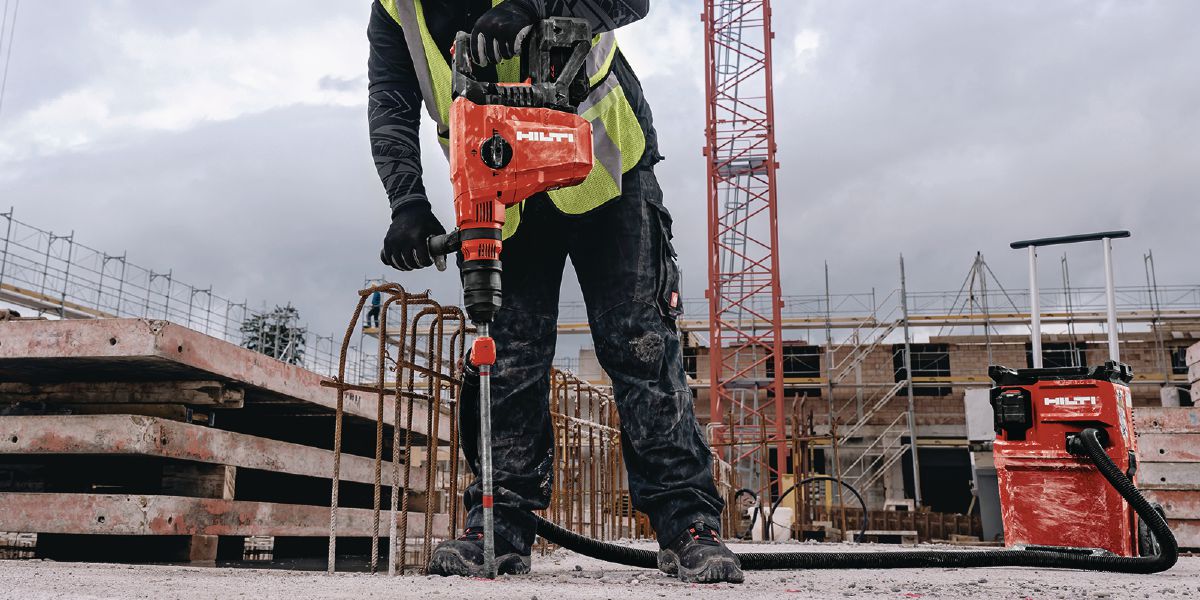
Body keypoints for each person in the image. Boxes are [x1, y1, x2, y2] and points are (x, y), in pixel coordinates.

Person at [367, 0, 742, 584]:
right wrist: (407, 201)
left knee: (639, 345)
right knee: (507, 357)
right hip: (498, 183)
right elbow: (390, 103)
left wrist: (532, 7)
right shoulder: (396, 10)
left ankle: (688, 523)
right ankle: (498, 525)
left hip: (603, 169)